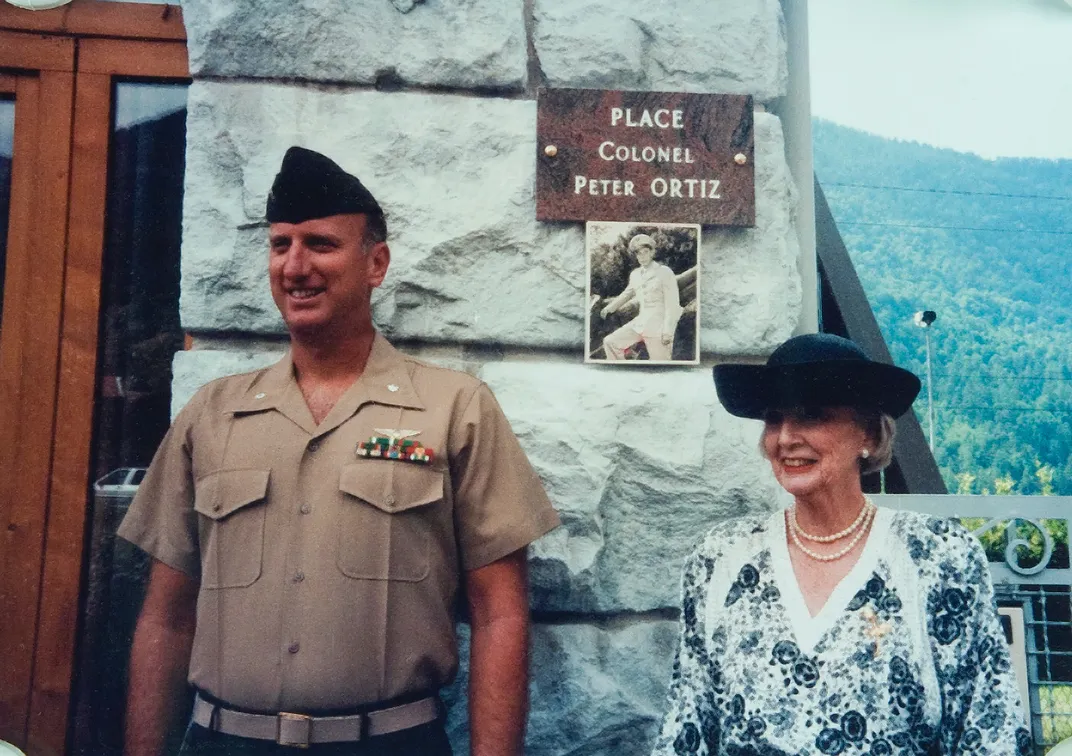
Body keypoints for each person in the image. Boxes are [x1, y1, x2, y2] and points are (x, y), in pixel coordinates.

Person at [118, 146, 560, 755]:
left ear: (375, 263)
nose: (295, 266)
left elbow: (500, 616)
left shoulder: (454, 408)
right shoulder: (213, 415)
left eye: (320, 244)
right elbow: (166, 617)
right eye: (280, 245)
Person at [652, 333, 1031, 755]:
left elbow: (988, 727)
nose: (785, 437)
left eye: (812, 415)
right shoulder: (720, 556)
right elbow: (688, 725)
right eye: (774, 418)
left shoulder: (939, 555)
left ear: (867, 433)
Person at [599, 233, 682, 361]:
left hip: (658, 327)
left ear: (652, 252)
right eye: (638, 253)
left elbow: (672, 303)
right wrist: (609, 308)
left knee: (660, 365)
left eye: (645, 252)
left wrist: (668, 332)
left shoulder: (664, 272)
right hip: (639, 324)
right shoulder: (635, 274)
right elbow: (628, 293)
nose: (642, 256)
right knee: (610, 342)